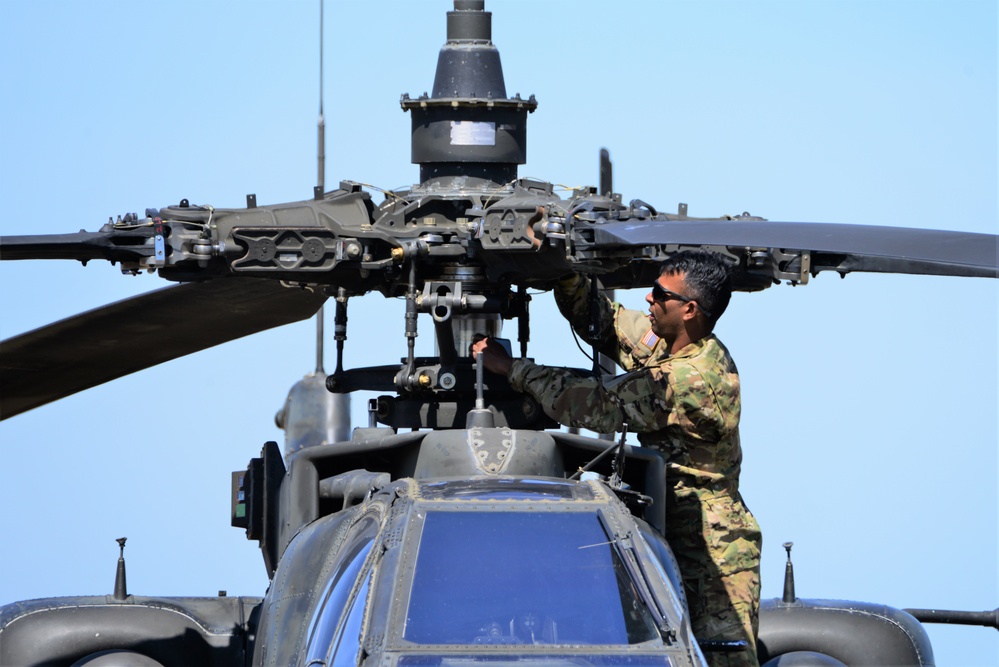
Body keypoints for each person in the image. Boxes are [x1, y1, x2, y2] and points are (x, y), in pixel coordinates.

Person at [472, 249, 762, 667]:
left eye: (660, 295)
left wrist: (513, 369)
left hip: (712, 549)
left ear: (689, 310)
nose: (649, 299)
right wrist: (563, 270)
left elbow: (597, 403)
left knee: (720, 659)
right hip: (662, 525)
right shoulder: (668, 342)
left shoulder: (694, 380)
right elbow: (604, 321)